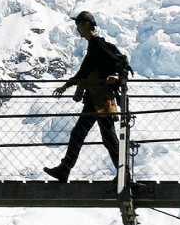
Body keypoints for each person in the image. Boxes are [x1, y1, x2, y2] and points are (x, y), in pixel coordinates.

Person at [44, 11, 129, 181]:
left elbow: (119, 62)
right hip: (95, 99)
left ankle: (123, 175)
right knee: (94, 135)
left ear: (87, 25)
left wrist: (118, 77)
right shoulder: (94, 46)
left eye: (79, 25)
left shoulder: (98, 45)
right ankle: (65, 169)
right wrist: (66, 86)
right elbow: (85, 72)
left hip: (101, 100)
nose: (78, 29)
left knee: (105, 137)